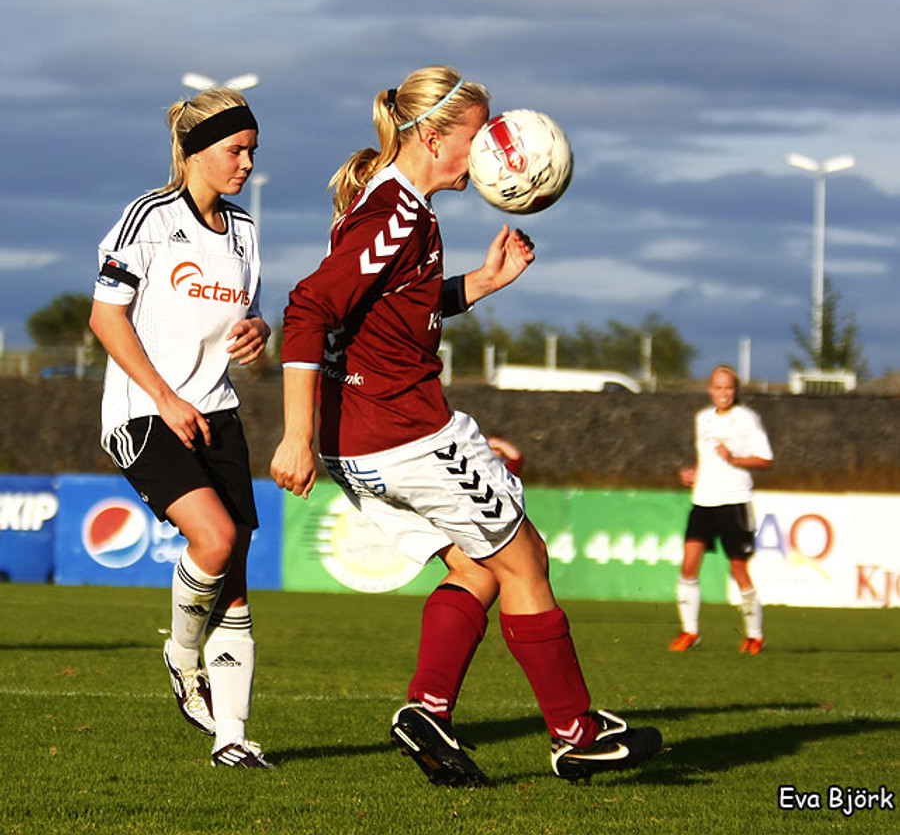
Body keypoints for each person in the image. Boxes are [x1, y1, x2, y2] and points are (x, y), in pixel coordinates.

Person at [270, 65, 661, 786]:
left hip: (363, 440)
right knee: (525, 559)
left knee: (479, 567)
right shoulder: (396, 212)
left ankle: (428, 713)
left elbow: (390, 309)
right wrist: (294, 435)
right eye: (479, 135)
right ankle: (574, 734)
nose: (486, 152)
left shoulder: (396, 205)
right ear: (432, 136)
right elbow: (309, 308)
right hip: (404, 431)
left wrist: (481, 284)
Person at [90, 87, 272, 768]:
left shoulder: (246, 231)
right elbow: (105, 317)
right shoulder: (148, 217)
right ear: (196, 151)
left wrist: (259, 335)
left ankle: (232, 735)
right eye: (236, 150)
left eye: (252, 151)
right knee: (215, 537)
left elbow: (243, 327)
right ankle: (182, 653)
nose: (247, 163)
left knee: (235, 574)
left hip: (217, 410)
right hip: (145, 412)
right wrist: (165, 398)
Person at [669, 364, 774, 655]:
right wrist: (694, 474)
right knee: (688, 566)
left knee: (738, 569)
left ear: (735, 390)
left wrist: (734, 459)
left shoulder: (747, 419)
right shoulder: (702, 419)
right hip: (703, 500)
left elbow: (766, 460)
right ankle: (690, 631)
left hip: (735, 500)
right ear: (710, 390)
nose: (723, 392)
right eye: (718, 387)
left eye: (728, 387)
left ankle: (755, 636)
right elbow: (706, 460)